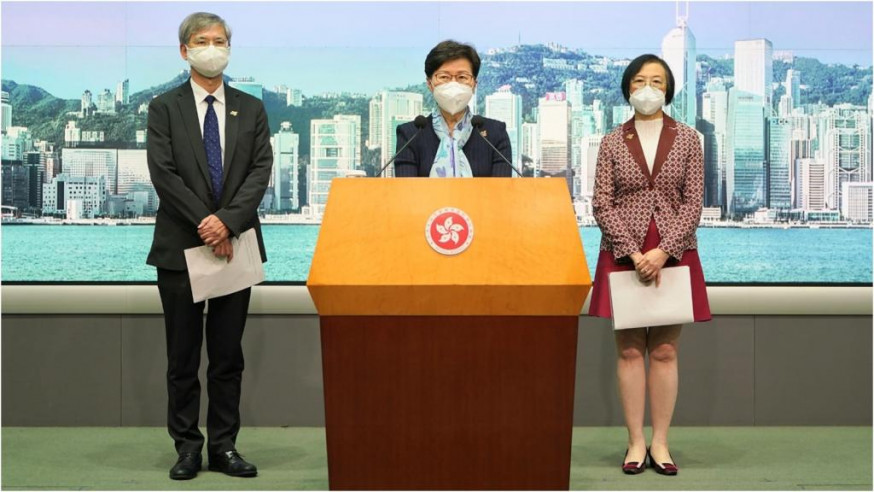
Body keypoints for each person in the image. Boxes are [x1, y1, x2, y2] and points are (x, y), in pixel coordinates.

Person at [146, 11, 272, 480]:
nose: (212, 47)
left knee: (226, 356)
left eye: (220, 40)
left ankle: (224, 447)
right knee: (182, 356)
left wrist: (228, 222)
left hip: (235, 245)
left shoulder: (251, 107)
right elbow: (164, 174)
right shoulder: (163, 107)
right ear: (185, 50)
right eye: (203, 40)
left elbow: (260, 170)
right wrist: (207, 222)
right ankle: (187, 448)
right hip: (182, 246)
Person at [588, 54, 711, 476]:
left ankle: (660, 443)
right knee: (627, 351)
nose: (648, 89)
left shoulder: (690, 139)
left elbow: (694, 202)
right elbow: (601, 202)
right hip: (623, 253)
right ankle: (634, 442)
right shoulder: (610, 141)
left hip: (674, 251)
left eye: (657, 82)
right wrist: (634, 252)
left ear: (668, 90)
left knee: (664, 349)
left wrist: (663, 251)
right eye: (640, 81)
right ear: (628, 88)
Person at [394, 40, 513, 178]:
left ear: (474, 84)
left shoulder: (495, 134)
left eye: (462, 77)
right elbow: (407, 194)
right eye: (444, 77)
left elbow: (501, 194)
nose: (453, 84)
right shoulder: (410, 135)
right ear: (430, 84)